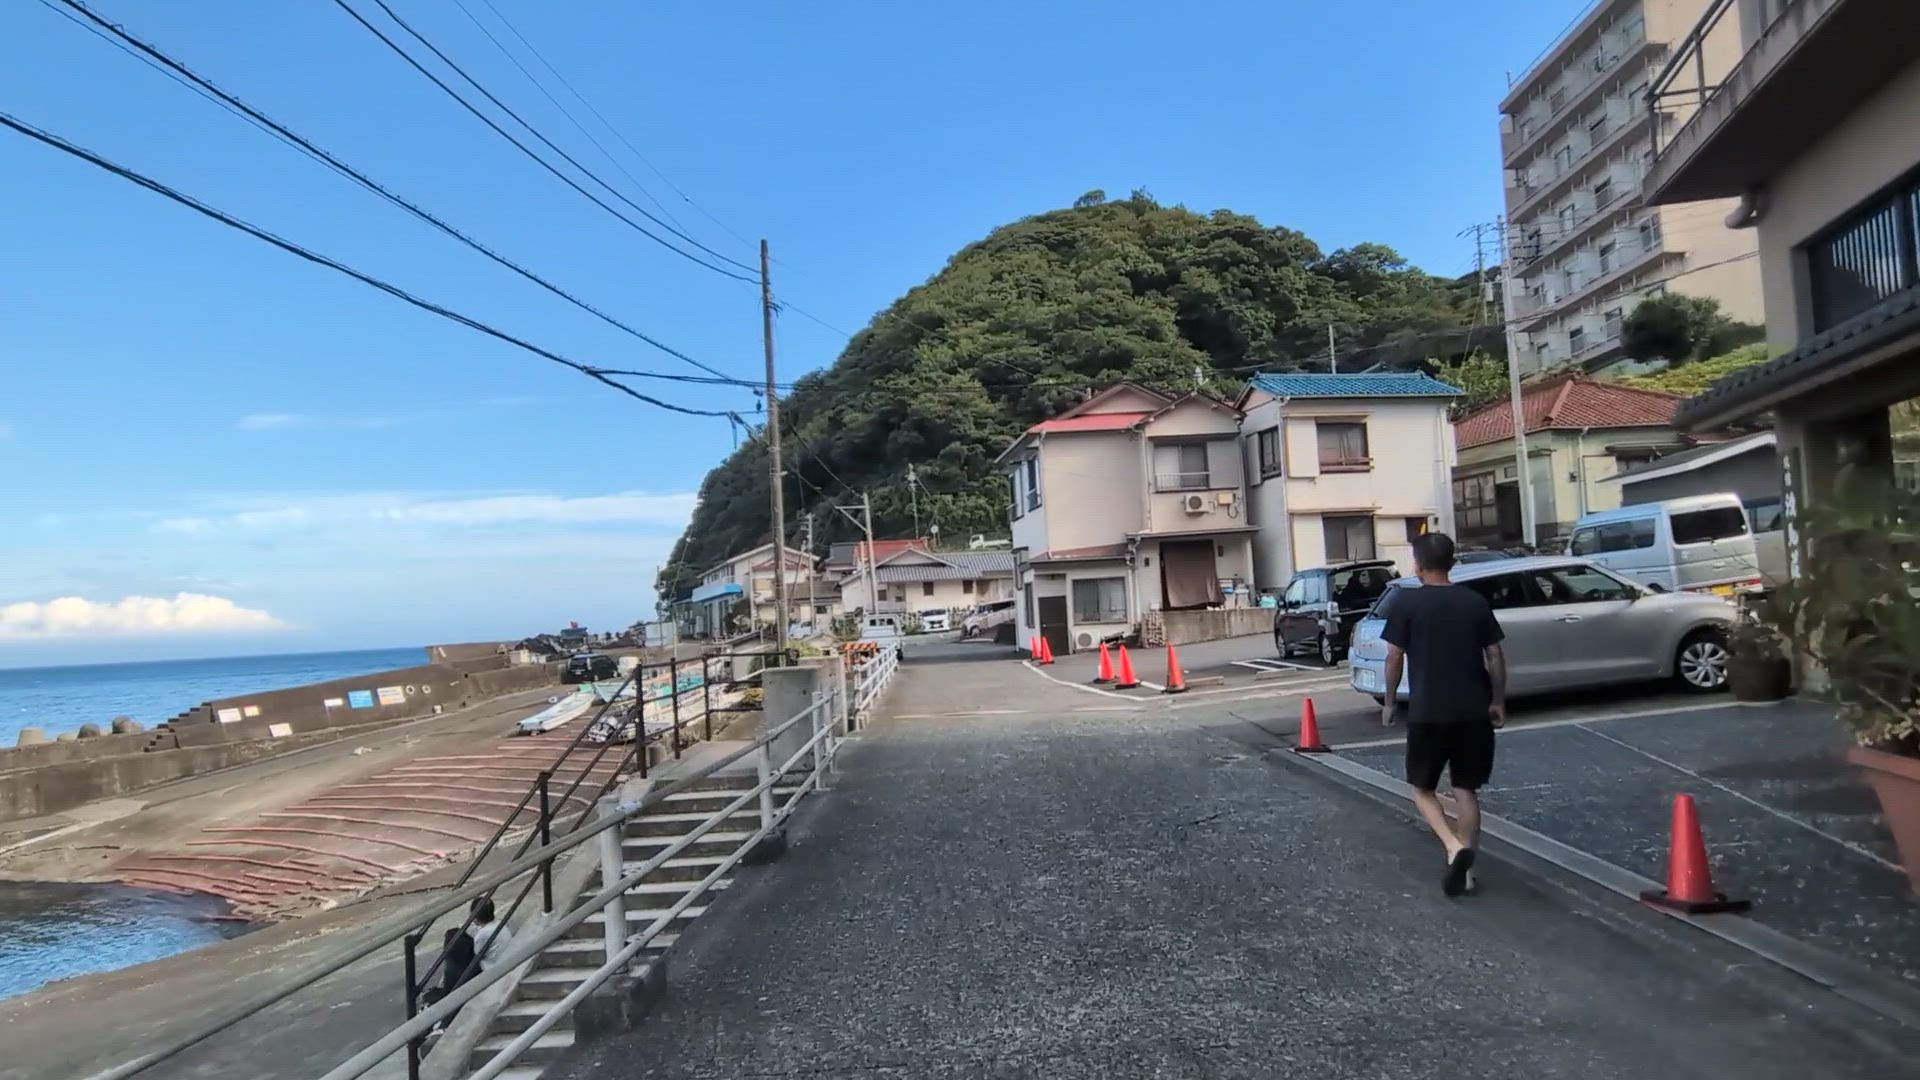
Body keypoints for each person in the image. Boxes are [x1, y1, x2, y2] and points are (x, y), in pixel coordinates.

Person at [1379, 532, 1507, 898]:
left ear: (1417, 565)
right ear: (1452, 563)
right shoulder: (1474, 602)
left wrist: (1389, 701)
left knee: (1422, 788)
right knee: (1466, 788)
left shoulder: (1406, 603)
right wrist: (1498, 699)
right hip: (1474, 710)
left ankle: (1453, 847)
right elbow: (1495, 655)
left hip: (1428, 711)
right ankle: (1466, 873)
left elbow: (1393, 656)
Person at [470, 896, 514, 970]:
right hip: (507, 958)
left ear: (476, 918)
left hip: (494, 967)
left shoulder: (482, 934)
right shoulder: (500, 924)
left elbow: (477, 953)